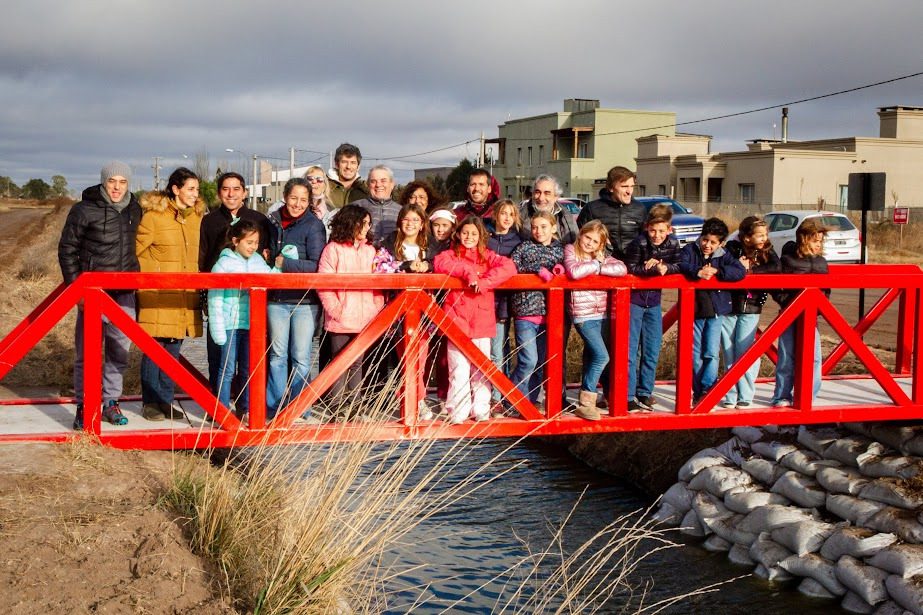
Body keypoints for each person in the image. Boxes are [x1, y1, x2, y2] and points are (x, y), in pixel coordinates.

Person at [58, 161, 142, 429]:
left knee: (119, 352)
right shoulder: (84, 210)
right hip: (93, 294)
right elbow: (67, 250)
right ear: (104, 182)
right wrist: (77, 291)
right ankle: (85, 405)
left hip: (124, 293)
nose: (117, 187)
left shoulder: (134, 209)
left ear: (128, 184)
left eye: (122, 182)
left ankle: (111, 402)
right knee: (87, 352)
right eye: (112, 181)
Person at [135, 167, 205, 422]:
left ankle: (165, 401)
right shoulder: (154, 217)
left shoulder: (197, 218)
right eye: (191, 189)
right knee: (155, 348)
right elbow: (137, 254)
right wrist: (155, 275)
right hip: (158, 293)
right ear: (175, 189)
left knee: (174, 349)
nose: (195, 194)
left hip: (184, 296)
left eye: (197, 190)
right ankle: (150, 403)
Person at [433, 216, 516, 424]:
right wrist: (468, 272)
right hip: (457, 318)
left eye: (474, 233)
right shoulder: (449, 255)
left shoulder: (487, 256)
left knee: (481, 368)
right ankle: (458, 411)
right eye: (465, 233)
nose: (469, 237)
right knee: (458, 368)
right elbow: (440, 263)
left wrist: (486, 282)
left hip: (481, 318)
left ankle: (481, 409)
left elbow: (509, 267)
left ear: (480, 236)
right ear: (458, 234)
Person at [199, 172, 271, 395]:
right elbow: (202, 257)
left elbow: (265, 257)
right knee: (219, 355)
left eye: (236, 189)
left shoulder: (259, 219)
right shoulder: (209, 220)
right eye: (225, 189)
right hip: (220, 297)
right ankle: (217, 403)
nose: (231, 194)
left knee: (248, 359)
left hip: (250, 304)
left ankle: (244, 404)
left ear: (245, 192)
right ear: (220, 192)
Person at [266, 177, 327, 420]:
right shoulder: (272, 221)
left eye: (304, 199)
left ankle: (300, 407)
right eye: (294, 198)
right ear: (285, 196)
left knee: (301, 356)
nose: (298, 204)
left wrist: (285, 263)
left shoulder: (314, 226)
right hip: (276, 299)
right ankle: (275, 407)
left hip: (305, 301)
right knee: (276, 355)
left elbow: (318, 265)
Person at [208, 220, 281, 417]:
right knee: (227, 369)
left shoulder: (258, 262)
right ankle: (221, 410)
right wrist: (218, 330)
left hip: (251, 324)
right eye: (249, 242)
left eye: (256, 242)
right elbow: (214, 299)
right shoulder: (223, 264)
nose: (253, 247)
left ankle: (245, 407)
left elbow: (270, 280)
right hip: (230, 325)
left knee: (248, 368)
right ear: (235, 241)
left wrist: (280, 266)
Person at [316, 205, 384, 404]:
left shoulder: (370, 250)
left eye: (368, 223)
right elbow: (324, 284)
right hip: (342, 318)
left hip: (365, 317)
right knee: (339, 362)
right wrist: (337, 310)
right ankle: (336, 405)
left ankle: (354, 404)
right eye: (362, 223)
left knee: (357, 362)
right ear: (350, 222)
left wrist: (376, 307)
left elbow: (379, 281)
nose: (366, 227)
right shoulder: (333, 249)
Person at [563, 221, 627, 420]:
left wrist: (599, 264)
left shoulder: (601, 256)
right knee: (602, 356)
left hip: (602, 314)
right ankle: (586, 401)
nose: (589, 243)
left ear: (601, 244)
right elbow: (574, 272)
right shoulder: (570, 250)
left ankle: (595, 396)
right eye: (587, 237)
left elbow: (622, 269)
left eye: (595, 241)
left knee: (593, 355)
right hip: (583, 315)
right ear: (580, 234)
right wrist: (597, 264)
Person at [679, 218, 747, 405]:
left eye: (713, 242)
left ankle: (707, 390)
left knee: (711, 353)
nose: (707, 245)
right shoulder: (690, 250)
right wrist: (698, 271)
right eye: (705, 240)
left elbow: (740, 271)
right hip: (694, 310)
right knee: (695, 355)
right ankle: (698, 390)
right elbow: (682, 264)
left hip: (716, 311)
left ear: (721, 243)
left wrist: (717, 271)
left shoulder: (723, 255)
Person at [623, 204, 681, 412]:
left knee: (651, 348)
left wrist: (665, 267)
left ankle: (645, 392)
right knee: (631, 351)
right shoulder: (638, 243)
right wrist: (652, 269)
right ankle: (628, 395)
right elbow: (630, 269)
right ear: (647, 227)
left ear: (669, 230)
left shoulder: (673, 243)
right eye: (652, 230)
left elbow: (679, 264)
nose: (656, 235)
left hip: (654, 303)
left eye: (661, 231)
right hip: (634, 302)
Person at [721, 216, 781, 409]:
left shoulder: (767, 252)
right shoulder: (731, 248)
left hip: (752, 306)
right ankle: (729, 395)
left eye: (765, 234)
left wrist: (752, 271)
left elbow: (776, 269)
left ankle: (745, 394)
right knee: (729, 351)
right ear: (746, 238)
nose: (764, 238)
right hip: (729, 305)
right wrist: (739, 267)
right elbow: (721, 267)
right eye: (760, 235)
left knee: (744, 350)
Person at [770, 218, 829, 408]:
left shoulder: (822, 263)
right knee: (786, 357)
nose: (818, 245)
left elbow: (826, 290)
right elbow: (775, 285)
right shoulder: (788, 260)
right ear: (803, 239)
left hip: (810, 316)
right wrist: (785, 301)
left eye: (820, 241)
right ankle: (781, 396)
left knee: (814, 357)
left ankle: (809, 395)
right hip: (790, 314)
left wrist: (821, 306)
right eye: (814, 240)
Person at [510, 212, 565, 405]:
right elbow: (512, 268)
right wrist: (535, 271)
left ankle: (530, 403)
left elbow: (570, 266)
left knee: (540, 363)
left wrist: (560, 270)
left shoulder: (560, 250)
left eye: (543, 227)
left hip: (549, 313)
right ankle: (513, 399)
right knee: (528, 360)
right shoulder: (524, 247)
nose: (538, 231)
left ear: (553, 228)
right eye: (534, 227)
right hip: (525, 310)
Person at [486, 199, 522, 406]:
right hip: (487, 301)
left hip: (508, 302)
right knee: (496, 350)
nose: (507, 218)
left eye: (511, 214)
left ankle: (502, 393)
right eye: (503, 213)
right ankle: (496, 397)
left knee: (504, 349)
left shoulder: (517, 240)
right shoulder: (486, 239)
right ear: (495, 215)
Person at [577, 166, 646, 260]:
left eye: (632, 186)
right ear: (611, 188)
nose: (629, 191)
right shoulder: (591, 209)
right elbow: (578, 239)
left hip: (633, 266)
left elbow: (648, 240)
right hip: (602, 266)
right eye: (624, 186)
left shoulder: (640, 209)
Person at [518, 174, 578, 245]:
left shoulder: (567, 217)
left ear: (556, 197)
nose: (541, 198)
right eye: (537, 192)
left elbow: (576, 244)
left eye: (547, 193)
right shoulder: (519, 216)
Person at [351, 165, 401, 242]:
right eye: (373, 181)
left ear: (392, 184)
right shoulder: (354, 207)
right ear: (368, 185)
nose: (378, 185)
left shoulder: (401, 211)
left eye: (383, 181)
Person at [328, 143, 369, 207]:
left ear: (358, 166)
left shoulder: (367, 189)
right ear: (336, 164)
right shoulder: (324, 186)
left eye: (353, 163)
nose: (348, 167)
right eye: (344, 162)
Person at [303, 165, 336, 238]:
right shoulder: (296, 205)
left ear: (325, 185)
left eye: (319, 179)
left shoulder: (333, 211)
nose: (314, 182)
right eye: (310, 178)